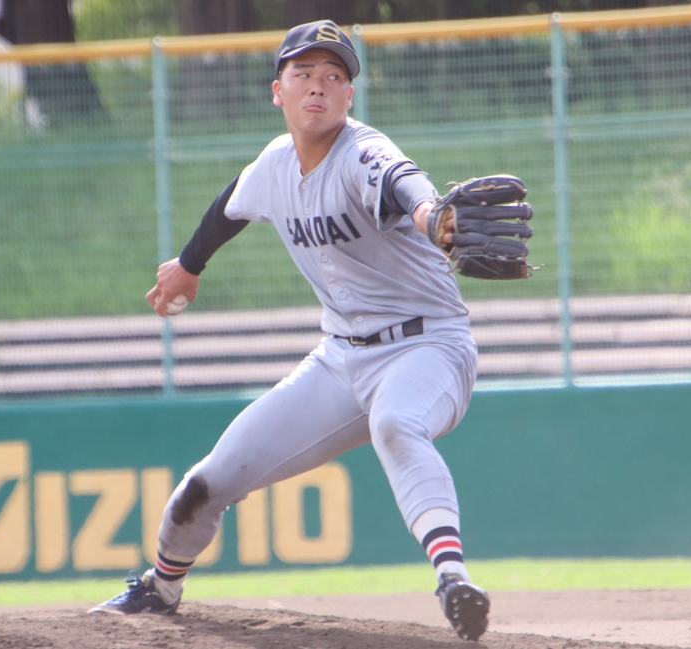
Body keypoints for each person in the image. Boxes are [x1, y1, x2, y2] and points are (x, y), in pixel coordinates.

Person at [90, 19, 491, 642]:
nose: (318, 87)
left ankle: (453, 577)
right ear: (276, 90)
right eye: (303, 74)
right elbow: (232, 204)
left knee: (396, 424)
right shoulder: (276, 163)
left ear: (349, 96)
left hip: (428, 346)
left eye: (334, 77)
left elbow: (402, 182)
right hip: (338, 362)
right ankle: (162, 586)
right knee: (204, 485)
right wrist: (188, 267)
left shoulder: (364, 150)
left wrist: (432, 214)